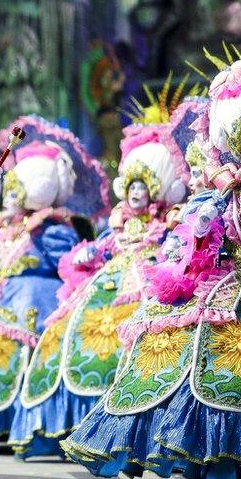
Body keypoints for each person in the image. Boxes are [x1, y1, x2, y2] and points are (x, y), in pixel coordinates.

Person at [64, 57, 241, 479]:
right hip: (224, 283)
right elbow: (192, 238)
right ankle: (228, 457)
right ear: (236, 147)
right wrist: (200, 231)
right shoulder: (219, 191)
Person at [10, 97, 188, 458]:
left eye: (144, 188)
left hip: (148, 283)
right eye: (133, 187)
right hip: (108, 281)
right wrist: (90, 253)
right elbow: (103, 245)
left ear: (156, 192)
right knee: (71, 331)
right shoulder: (119, 223)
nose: (137, 194)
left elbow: (175, 245)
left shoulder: (165, 224)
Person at [0, 116, 107, 440]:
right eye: (10, 194)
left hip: (34, 296)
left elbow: (67, 263)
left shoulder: (53, 228)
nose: (11, 200)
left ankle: (16, 418)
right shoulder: (4, 226)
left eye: (17, 193)